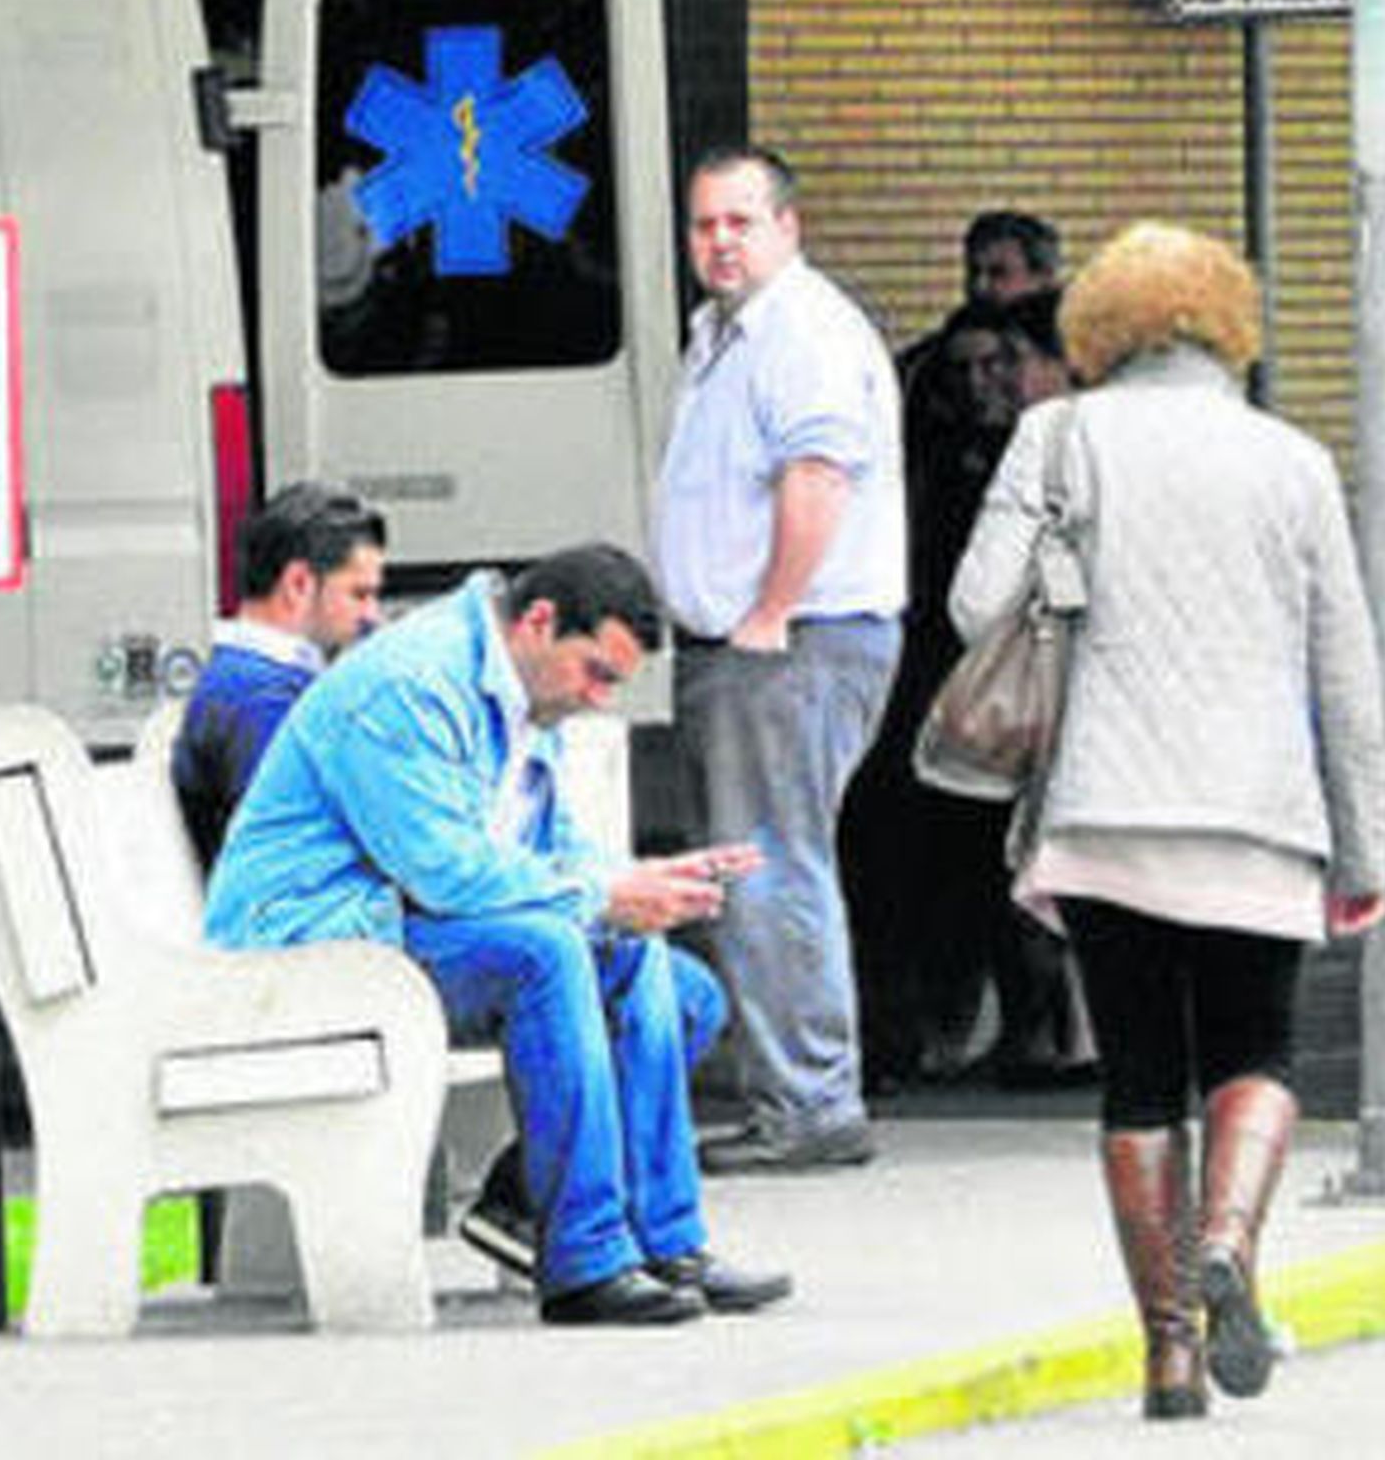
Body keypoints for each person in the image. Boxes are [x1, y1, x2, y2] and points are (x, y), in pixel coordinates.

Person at [949, 222, 1385, 1422]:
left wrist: (1069, 553)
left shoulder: (1055, 436)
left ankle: (1167, 1357)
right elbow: (1345, 670)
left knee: (1138, 1073)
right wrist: (1363, 849)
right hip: (1256, 815)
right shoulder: (1290, 459)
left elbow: (974, 603)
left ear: (1096, 328)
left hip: (1102, 811)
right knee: (1255, 1051)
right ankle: (1232, 1249)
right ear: (1228, 325)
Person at [205, 541, 791, 1327]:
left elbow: (543, 850)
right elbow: (445, 873)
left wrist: (648, 878)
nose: (598, 698)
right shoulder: (413, 684)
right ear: (540, 622)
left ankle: (633, 1231)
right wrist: (607, 894)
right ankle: (586, 1261)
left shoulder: (519, 691)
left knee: (681, 992)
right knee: (548, 954)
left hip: (394, 930)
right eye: (597, 673)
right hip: (311, 947)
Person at [653, 145, 906, 1173]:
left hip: (793, 643)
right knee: (759, 864)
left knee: (769, 867)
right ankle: (795, 1093)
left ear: (788, 228)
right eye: (705, 224)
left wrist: (767, 611)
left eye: (740, 222)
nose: (719, 241)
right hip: (755, 643)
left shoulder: (798, 331)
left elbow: (817, 476)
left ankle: (808, 1103)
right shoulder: (720, 332)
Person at [844, 291, 1087, 1087]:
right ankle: (968, 1028)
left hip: (1012, 675)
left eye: (1004, 362)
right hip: (945, 683)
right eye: (971, 368)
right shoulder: (936, 449)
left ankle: (1046, 1029)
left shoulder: (1050, 446)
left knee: (1018, 863)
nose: (989, 382)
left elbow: (980, 594)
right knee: (950, 870)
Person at [171, 480, 387, 871]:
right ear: (299, 584)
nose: (373, 616)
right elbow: (298, 859)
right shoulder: (260, 699)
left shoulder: (248, 681)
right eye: (359, 594)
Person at [897, 208, 1063, 421]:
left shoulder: (1080, 360)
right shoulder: (927, 364)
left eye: (998, 273)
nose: (979, 286)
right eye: (973, 272)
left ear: (1043, 278)